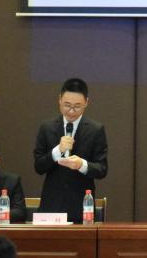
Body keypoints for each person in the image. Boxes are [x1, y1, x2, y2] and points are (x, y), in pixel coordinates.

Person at [33, 77, 109, 222]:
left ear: (86, 102)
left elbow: (102, 169)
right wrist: (57, 151)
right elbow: (38, 166)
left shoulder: (95, 130)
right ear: (59, 100)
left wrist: (81, 165)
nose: (71, 111)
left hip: (81, 207)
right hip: (51, 206)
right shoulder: (47, 127)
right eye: (67, 105)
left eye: (77, 106)